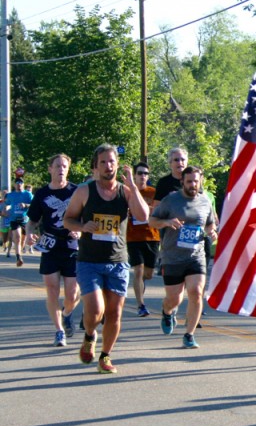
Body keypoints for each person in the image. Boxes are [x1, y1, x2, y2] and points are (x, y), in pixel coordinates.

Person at [63, 144, 150, 374]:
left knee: (115, 312)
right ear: (96, 166)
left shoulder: (126, 191)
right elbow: (67, 220)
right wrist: (83, 226)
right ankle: (90, 335)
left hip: (118, 261)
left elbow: (143, 216)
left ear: (117, 164)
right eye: (103, 162)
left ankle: (105, 356)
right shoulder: (84, 191)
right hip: (89, 260)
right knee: (94, 310)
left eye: (111, 162)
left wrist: (132, 184)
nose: (108, 166)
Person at [149, 165, 217, 349]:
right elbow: (152, 220)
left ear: (200, 181)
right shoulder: (171, 200)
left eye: (196, 181)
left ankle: (189, 334)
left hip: (196, 256)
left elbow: (210, 224)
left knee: (196, 292)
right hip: (172, 256)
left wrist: (212, 232)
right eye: (189, 181)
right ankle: (167, 311)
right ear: (182, 182)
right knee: (174, 299)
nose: (193, 184)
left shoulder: (205, 201)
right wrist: (167, 222)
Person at [27, 153, 81, 347]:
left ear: (68, 169)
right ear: (50, 169)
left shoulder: (77, 191)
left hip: (71, 245)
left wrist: (80, 232)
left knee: (73, 293)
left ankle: (66, 314)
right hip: (50, 245)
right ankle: (59, 331)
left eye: (64, 166)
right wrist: (29, 234)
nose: (61, 169)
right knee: (51, 290)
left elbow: (86, 217)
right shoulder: (42, 194)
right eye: (57, 166)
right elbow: (32, 220)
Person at [126, 163, 160, 318]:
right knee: (138, 270)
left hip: (152, 236)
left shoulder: (153, 192)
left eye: (145, 173)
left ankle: (141, 285)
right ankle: (141, 305)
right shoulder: (128, 192)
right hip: (133, 236)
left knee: (148, 274)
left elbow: (160, 210)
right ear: (134, 175)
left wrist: (149, 210)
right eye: (139, 173)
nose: (142, 176)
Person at [3, 177, 33, 267]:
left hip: (25, 220)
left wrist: (25, 205)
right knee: (17, 237)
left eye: (21, 182)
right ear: (14, 184)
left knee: (23, 240)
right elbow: (8, 204)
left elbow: (34, 205)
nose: (19, 184)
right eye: (17, 182)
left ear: (23, 184)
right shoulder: (11, 195)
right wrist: (6, 208)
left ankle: (21, 249)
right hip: (14, 219)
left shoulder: (28, 195)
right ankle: (18, 257)